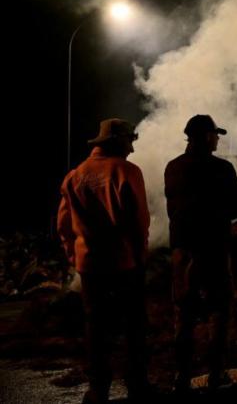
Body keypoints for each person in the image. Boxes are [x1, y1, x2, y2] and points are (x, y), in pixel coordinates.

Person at [57, 118, 151, 404]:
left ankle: (98, 389)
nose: (133, 147)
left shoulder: (75, 175)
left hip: (90, 268)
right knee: (133, 327)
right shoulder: (127, 171)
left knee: (96, 328)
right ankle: (137, 386)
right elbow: (138, 223)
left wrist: (75, 257)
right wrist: (140, 258)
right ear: (117, 141)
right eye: (130, 140)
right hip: (124, 265)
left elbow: (63, 226)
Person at [164, 114, 237, 394]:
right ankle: (216, 373)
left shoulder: (173, 167)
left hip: (182, 251)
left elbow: (172, 209)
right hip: (214, 248)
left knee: (183, 314)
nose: (218, 139)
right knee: (219, 311)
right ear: (206, 136)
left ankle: (181, 376)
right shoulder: (222, 169)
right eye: (215, 134)